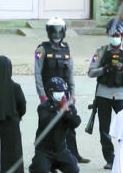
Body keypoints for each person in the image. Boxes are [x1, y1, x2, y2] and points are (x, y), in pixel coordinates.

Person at [34, 16, 89, 164]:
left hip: (64, 94)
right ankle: (43, 154)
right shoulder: (42, 49)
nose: (56, 34)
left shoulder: (67, 49)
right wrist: (42, 95)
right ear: (48, 31)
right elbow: (38, 73)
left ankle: (74, 154)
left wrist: (73, 93)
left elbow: (70, 73)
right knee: (46, 123)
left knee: (69, 123)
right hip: (49, 95)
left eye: (59, 31)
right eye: (54, 31)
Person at [88, 18, 123, 169]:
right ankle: (110, 159)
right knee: (105, 129)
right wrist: (104, 69)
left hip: (122, 95)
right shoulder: (101, 51)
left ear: (122, 35)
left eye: (117, 35)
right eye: (112, 35)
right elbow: (91, 72)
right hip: (103, 95)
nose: (115, 38)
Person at [29, 77, 81, 173]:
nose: (61, 94)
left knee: (73, 171)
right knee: (41, 171)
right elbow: (46, 121)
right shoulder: (44, 106)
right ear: (50, 92)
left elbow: (76, 122)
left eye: (62, 91)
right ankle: (37, 163)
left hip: (60, 148)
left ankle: (56, 163)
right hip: (45, 149)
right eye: (57, 91)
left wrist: (67, 112)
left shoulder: (69, 107)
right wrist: (59, 111)